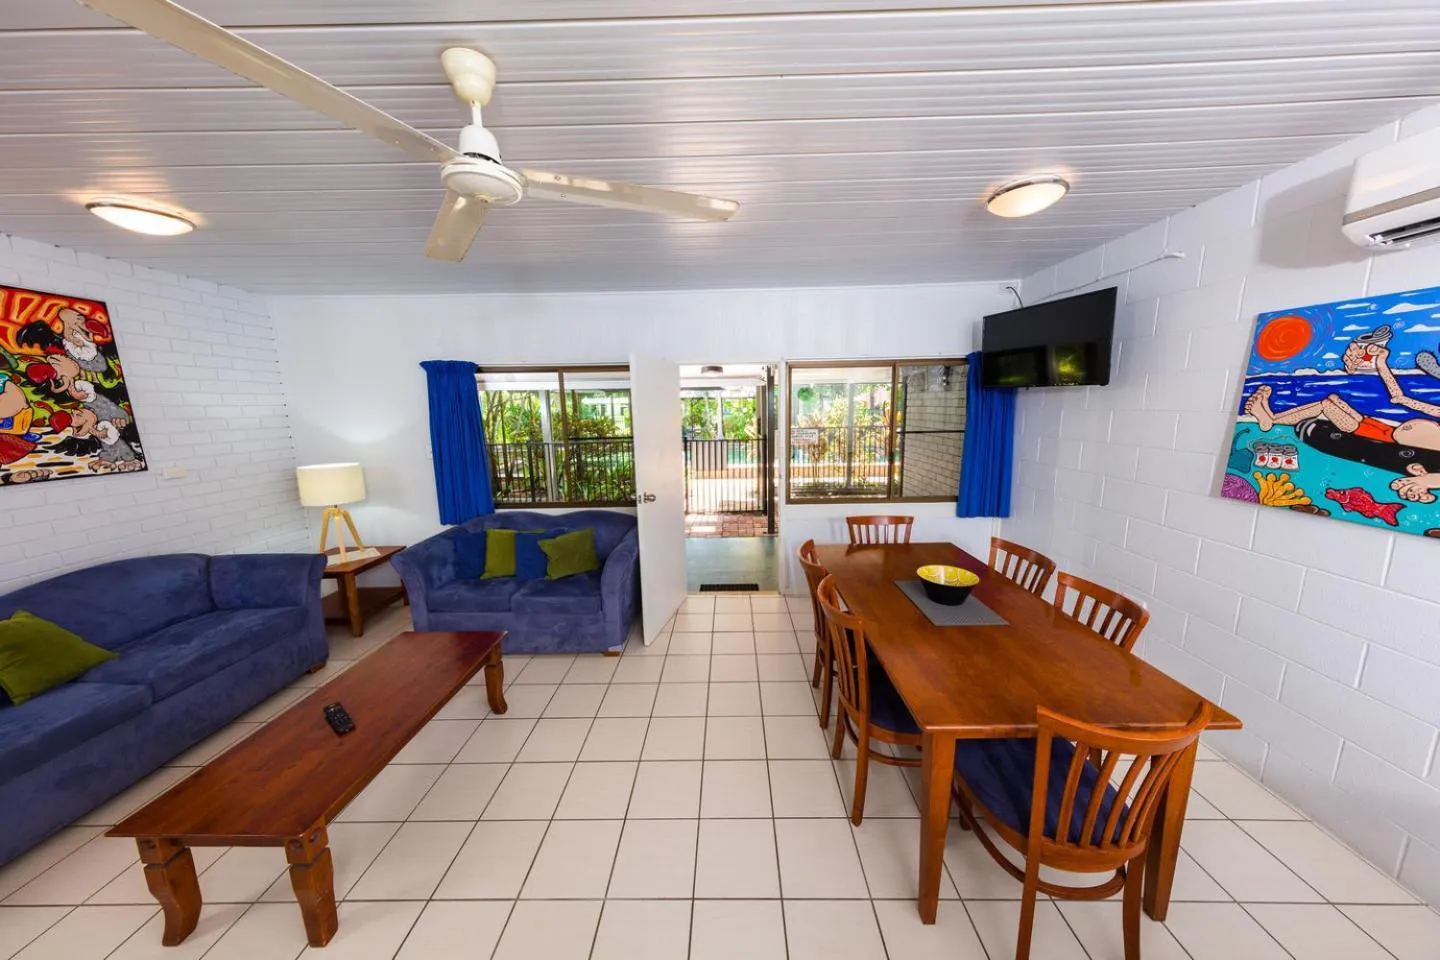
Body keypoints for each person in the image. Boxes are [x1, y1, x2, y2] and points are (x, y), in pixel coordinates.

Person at [1245, 345, 1440, 503]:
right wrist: (1381, 361)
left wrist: (1424, 481)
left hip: (1376, 437)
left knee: (1326, 405)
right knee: (1333, 400)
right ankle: (1270, 415)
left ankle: (1270, 420)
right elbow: (1398, 397)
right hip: (1380, 428)